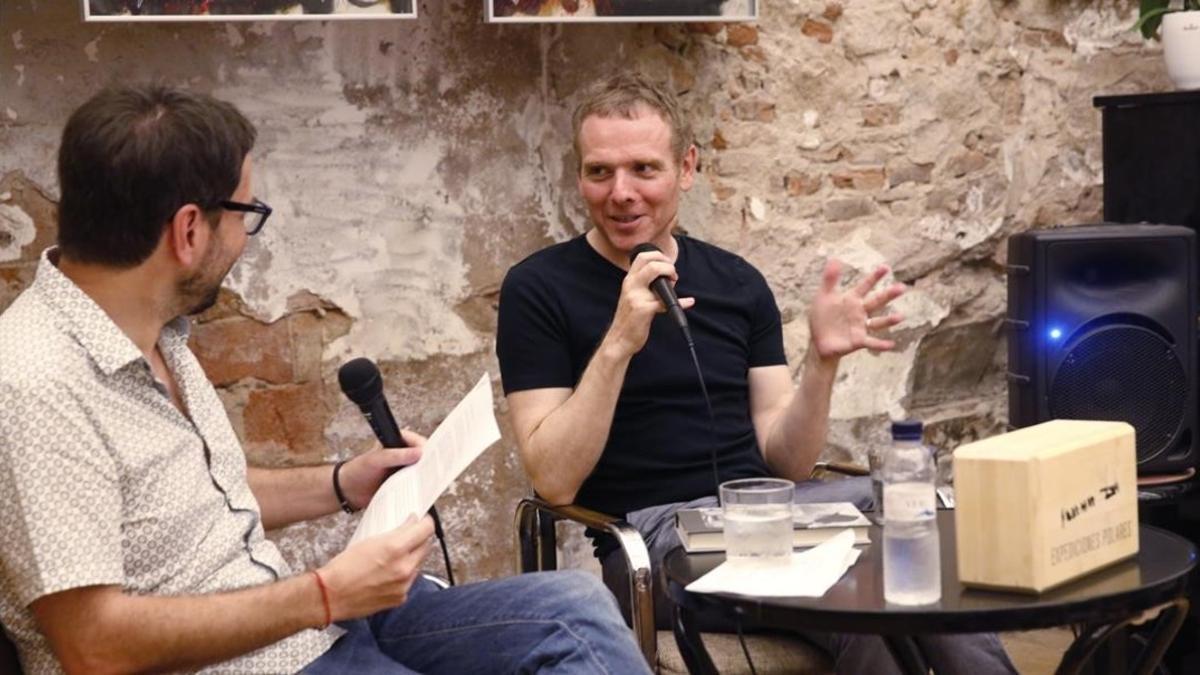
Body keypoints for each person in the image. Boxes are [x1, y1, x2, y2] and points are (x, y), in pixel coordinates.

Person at [0, 84, 651, 675]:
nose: (246, 239)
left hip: (295, 627)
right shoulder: (36, 381)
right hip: (248, 660)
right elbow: (93, 645)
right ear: (190, 230)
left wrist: (342, 483)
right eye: (245, 216)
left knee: (572, 606)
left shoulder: (154, 328)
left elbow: (193, 491)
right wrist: (325, 593)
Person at [496, 72, 1017, 674]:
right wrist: (617, 343)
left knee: (928, 564)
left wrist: (821, 362)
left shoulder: (736, 282)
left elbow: (788, 463)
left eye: (644, 169)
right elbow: (554, 481)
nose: (621, 193)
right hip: (652, 542)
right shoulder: (538, 288)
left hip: (776, 510)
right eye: (599, 172)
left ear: (685, 168)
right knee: (866, 599)